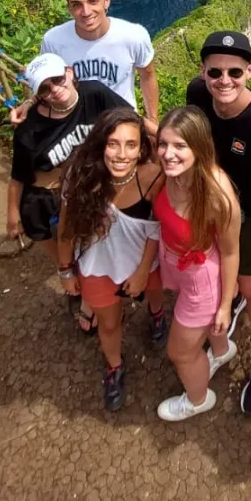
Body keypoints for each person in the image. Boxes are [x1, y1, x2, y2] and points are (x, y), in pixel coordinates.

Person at [7, 52, 169, 344]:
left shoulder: (93, 94)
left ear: (70, 72)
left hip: (95, 185)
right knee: (75, 248)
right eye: (44, 88)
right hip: (55, 195)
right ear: (38, 95)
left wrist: (175, 143)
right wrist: (13, 214)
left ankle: (128, 302)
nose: (54, 89)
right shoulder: (29, 127)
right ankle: (85, 297)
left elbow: (133, 122)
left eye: (57, 79)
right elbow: (19, 172)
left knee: (106, 241)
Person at [186, 31, 251, 417]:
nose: (224, 81)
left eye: (234, 71)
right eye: (215, 72)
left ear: (250, 70)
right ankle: (231, 302)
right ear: (203, 71)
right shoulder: (197, 95)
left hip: (248, 215)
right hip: (206, 203)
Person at [56, 108, 162, 410]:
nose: (121, 154)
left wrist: (142, 271)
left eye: (131, 145)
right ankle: (114, 366)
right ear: (100, 143)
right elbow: (66, 229)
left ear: (142, 148)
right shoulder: (81, 175)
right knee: (110, 323)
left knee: (156, 291)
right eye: (113, 143)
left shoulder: (152, 177)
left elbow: (157, 227)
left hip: (143, 258)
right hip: (98, 265)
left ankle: (156, 316)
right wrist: (66, 271)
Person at [152, 106, 241, 422]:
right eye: (163, 144)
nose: (168, 154)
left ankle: (198, 399)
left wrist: (225, 306)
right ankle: (220, 351)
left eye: (180, 146)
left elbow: (231, 252)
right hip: (177, 263)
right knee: (205, 330)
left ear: (199, 147)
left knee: (180, 352)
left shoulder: (217, 196)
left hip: (202, 280)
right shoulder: (169, 172)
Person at [11, 0, 158, 131]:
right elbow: (49, 84)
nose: (86, 12)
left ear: (106, 1)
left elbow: (147, 76)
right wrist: (29, 104)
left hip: (123, 124)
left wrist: (153, 120)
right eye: (77, 5)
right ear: (69, 8)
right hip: (77, 128)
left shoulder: (134, 35)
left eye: (93, 1)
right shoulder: (54, 40)